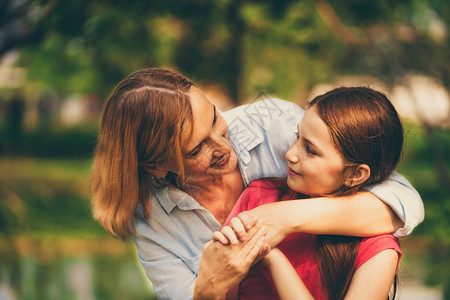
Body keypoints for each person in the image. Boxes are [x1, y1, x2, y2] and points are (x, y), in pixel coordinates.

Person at [89, 68, 424, 299]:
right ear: (156, 166)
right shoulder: (151, 220)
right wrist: (208, 287)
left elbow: (400, 201)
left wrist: (284, 217)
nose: (223, 146)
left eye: (215, 118)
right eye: (196, 148)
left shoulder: (273, 127)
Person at [219, 87, 405, 299]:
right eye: (297, 137)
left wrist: (274, 259)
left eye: (310, 150)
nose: (290, 154)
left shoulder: (378, 248)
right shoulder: (259, 197)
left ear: (355, 174)